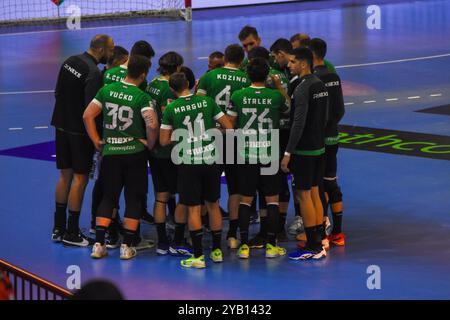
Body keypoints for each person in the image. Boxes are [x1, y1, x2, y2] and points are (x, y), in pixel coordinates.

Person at [83, 54, 158, 260]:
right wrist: (150, 143)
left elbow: (87, 115)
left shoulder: (107, 90)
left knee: (109, 197)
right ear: (143, 75)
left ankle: (99, 244)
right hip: (135, 154)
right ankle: (127, 246)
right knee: (133, 198)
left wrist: (97, 140)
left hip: (111, 154)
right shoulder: (141, 96)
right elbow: (151, 124)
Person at [160, 72, 233, 268]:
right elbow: (228, 126)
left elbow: (163, 140)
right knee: (213, 205)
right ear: (190, 85)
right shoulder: (207, 101)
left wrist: (182, 137)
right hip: (210, 160)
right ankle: (217, 251)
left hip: (188, 163)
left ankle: (199, 256)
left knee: (192, 208)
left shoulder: (171, 108)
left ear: (172, 89)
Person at [51, 34, 114, 247]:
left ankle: (58, 229)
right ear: (102, 49)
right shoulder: (94, 73)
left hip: (61, 126)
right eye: (111, 50)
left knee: (64, 176)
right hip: (79, 133)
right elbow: (91, 111)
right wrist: (97, 138)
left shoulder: (69, 61)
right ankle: (72, 232)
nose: (112, 54)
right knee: (80, 179)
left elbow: (57, 92)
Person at [228, 57, 290, 259]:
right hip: (269, 153)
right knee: (272, 200)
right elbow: (288, 108)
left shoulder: (238, 95)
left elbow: (230, 123)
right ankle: (271, 245)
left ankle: (244, 246)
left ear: (248, 75)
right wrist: (280, 86)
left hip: (245, 153)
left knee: (245, 200)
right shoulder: (275, 96)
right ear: (267, 76)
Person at [196, 44, 250, 249]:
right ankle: (232, 235)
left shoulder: (208, 77)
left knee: (206, 187)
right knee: (235, 187)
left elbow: (199, 105)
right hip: (234, 137)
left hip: (212, 137)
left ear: (225, 57)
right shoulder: (246, 79)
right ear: (242, 59)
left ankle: (203, 230)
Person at [281, 47, 328, 260]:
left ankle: (312, 246)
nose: (288, 65)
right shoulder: (320, 85)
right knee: (315, 192)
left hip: (305, 150)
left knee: (303, 195)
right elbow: (325, 117)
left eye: (292, 62)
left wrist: (288, 152)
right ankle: (319, 240)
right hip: (319, 147)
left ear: (303, 64)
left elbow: (298, 123)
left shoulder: (302, 88)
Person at [245, 46, 291, 247]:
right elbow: (288, 106)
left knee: (255, 191)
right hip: (280, 137)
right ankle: (278, 230)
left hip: (256, 140)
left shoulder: (250, 85)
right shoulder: (280, 77)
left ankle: (259, 234)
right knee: (279, 184)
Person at [146, 52, 185, 255]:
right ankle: (178, 239)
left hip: (154, 150)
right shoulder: (168, 89)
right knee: (183, 196)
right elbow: (172, 118)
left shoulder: (151, 84)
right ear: (177, 67)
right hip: (170, 149)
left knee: (160, 196)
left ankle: (161, 241)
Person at [310, 38, 346, 246]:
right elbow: (340, 109)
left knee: (318, 185)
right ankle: (338, 233)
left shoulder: (313, 80)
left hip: (318, 141)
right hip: (334, 136)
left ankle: (321, 233)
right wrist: (331, 126)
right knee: (331, 181)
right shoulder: (334, 76)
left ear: (311, 56)